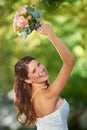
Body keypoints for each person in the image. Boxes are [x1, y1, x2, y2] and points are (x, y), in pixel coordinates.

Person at [13, 22, 75, 130]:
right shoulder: (47, 95)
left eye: (38, 64)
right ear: (27, 80)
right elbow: (70, 61)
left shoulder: (31, 97)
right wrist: (51, 34)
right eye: (34, 71)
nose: (41, 69)